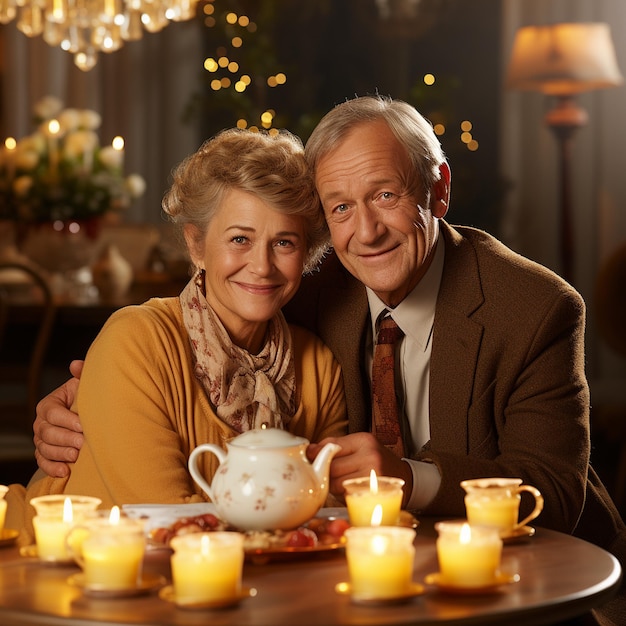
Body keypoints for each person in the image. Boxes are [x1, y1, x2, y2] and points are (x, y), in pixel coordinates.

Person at [33, 96, 626, 564]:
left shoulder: (534, 306)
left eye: (386, 196)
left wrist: (410, 480)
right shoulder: (304, 291)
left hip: (519, 562)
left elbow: (552, 489)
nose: (364, 232)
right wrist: (82, 400)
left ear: (438, 189)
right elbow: (173, 344)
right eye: (339, 207)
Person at [5, 128, 348, 536]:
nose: (261, 265)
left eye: (285, 243)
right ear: (196, 245)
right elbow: (166, 519)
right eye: (240, 238)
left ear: (306, 254)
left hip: (217, 585)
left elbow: (336, 512)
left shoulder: (318, 366)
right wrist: (293, 519)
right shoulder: (135, 341)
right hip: (50, 566)